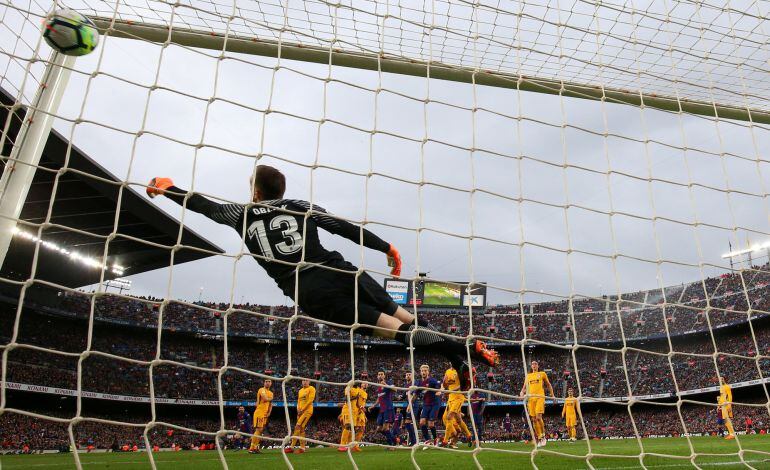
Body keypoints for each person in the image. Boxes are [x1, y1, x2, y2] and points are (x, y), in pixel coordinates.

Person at [146, 167, 499, 381]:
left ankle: (463, 349)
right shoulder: (299, 206)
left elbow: (202, 205)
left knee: (397, 334)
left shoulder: (240, 213)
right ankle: (456, 355)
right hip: (341, 269)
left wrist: (168, 187)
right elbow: (339, 226)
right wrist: (385, 247)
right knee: (407, 319)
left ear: (255, 192)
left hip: (311, 291)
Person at [519, 360, 554, 447]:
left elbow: (548, 385)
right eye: (532, 364)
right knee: (534, 419)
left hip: (540, 397)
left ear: (538, 366)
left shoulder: (542, 374)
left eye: (535, 364)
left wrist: (552, 395)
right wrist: (521, 394)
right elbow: (523, 389)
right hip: (530, 399)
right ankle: (540, 437)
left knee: (538, 417)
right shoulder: (528, 376)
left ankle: (543, 435)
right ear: (531, 366)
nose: (534, 365)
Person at [286, 379, 316, 453]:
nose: (304, 382)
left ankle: (292, 447)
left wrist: (302, 409)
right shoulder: (300, 390)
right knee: (301, 429)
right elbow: (298, 401)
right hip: (300, 411)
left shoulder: (311, 388)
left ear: (309, 382)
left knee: (297, 426)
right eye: (303, 380)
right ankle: (302, 448)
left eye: (306, 380)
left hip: (307, 411)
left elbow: (310, 400)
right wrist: (298, 410)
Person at [417, 364, 442, 444]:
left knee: (431, 424)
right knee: (422, 422)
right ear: (420, 372)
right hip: (426, 404)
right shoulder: (419, 383)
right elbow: (415, 394)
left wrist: (439, 391)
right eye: (422, 371)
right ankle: (428, 440)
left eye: (425, 371)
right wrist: (410, 403)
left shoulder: (432, 380)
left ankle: (435, 439)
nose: (423, 372)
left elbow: (439, 385)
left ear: (428, 372)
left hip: (435, 404)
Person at [371, 370, 396, 446]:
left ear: (384, 376)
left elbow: (395, 389)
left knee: (385, 428)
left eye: (382, 374)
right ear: (377, 376)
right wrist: (374, 405)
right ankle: (394, 440)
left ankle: (391, 445)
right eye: (379, 374)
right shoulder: (378, 386)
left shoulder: (389, 383)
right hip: (381, 410)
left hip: (388, 408)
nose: (380, 375)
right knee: (379, 429)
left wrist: (385, 384)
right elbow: (379, 398)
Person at [249, 379, 274, 453]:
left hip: (265, 414)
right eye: (266, 381)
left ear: (271, 383)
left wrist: (269, 412)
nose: (267, 383)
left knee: (260, 431)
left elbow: (270, 404)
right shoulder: (261, 390)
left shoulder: (271, 393)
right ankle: (252, 448)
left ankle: (255, 447)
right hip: (259, 412)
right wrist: (270, 399)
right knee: (258, 429)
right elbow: (265, 398)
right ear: (264, 383)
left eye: (269, 382)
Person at [338, 382, 362, 452]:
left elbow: (357, 402)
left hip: (354, 411)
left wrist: (361, 408)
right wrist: (355, 397)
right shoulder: (348, 388)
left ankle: (349, 445)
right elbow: (346, 399)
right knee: (347, 426)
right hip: (347, 409)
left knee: (352, 428)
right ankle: (342, 445)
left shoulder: (358, 389)